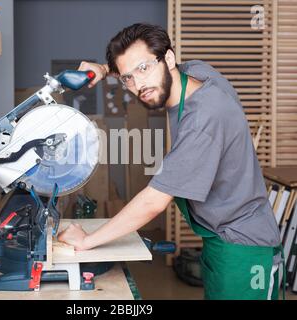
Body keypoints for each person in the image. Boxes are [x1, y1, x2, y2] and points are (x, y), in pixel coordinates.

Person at [57, 23, 283, 300]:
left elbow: (154, 202)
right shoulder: (197, 72)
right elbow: (139, 66)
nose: (138, 85)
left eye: (143, 70)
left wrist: (87, 241)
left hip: (245, 248)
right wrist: (105, 70)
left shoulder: (203, 120)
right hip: (219, 239)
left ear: (169, 59)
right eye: (128, 78)